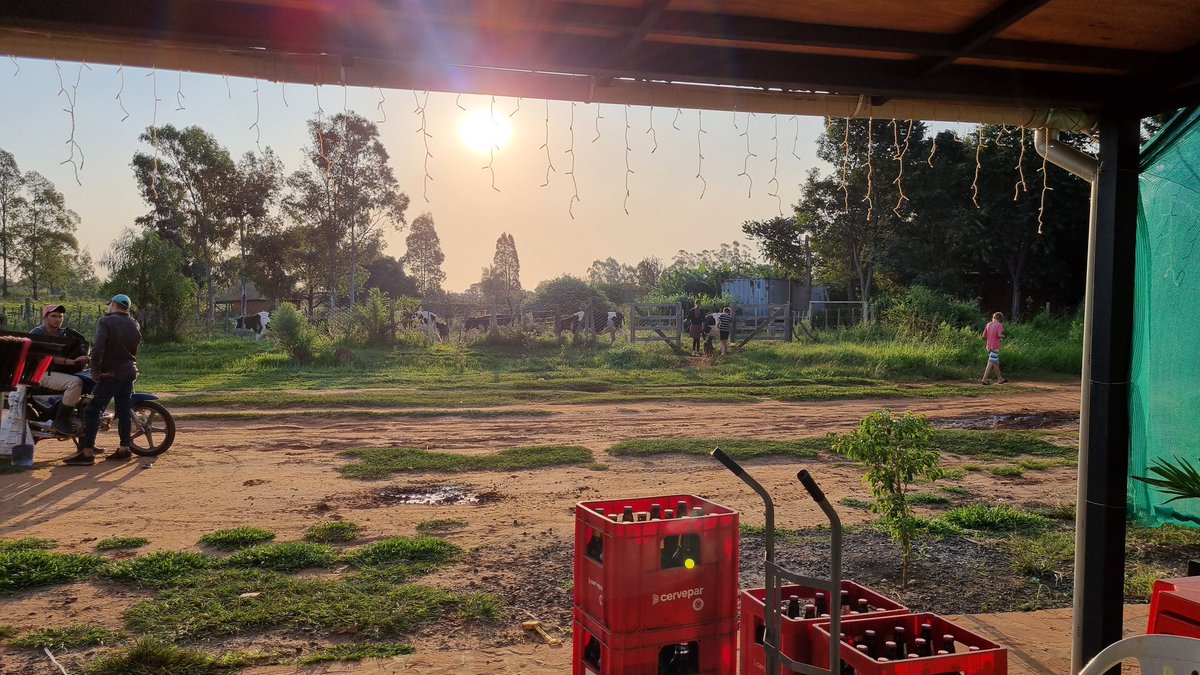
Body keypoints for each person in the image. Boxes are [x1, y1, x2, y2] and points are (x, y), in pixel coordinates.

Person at [64, 294, 143, 466]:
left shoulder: (106, 321)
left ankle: (87, 452)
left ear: (113, 304)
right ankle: (124, 449)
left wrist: (95, 370)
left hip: (111, 374)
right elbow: (135, 345)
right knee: (123, 412)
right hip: (130, 371)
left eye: (110, 304)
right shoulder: (134, 323)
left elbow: (99, 349)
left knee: (92, 411)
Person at [30, 304, 90, 435]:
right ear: (45, 318)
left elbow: (79, 347)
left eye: (60, 316)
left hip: (57, 372)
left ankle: (87, 447)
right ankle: (61, 420)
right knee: (75, 383)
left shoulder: (63, 333)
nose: (58, 319)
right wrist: (72, 361)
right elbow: (51, 357)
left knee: (88, 381)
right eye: (53, 316)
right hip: (40, 372)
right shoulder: (38, 332)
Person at [981, 311, 1007, 385]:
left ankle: (1000, 379)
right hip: (995, 347)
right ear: (1000, 319)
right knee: (991, 362)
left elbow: (983, 336)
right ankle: (984, 379)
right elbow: (999, 335)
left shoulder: (988, 324)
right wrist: (1003, 336)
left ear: (993, 317)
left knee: (996, 363)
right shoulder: (999, 325)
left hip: (988, 346)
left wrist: (991, 337)